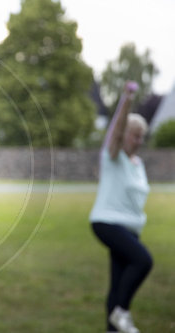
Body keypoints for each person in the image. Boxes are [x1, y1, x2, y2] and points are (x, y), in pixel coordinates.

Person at [89, 82, 153, 333]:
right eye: (134, 135)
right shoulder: (112, 157)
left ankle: (112, 328)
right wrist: (127, 99)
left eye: (141, 137)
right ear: (125, 134)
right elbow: (115, 134)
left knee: (117, 284)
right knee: (143, 260)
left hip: (129, 229)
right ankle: (121, 313)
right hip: (107, 222)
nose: (138, 140)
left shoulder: (138, 164)